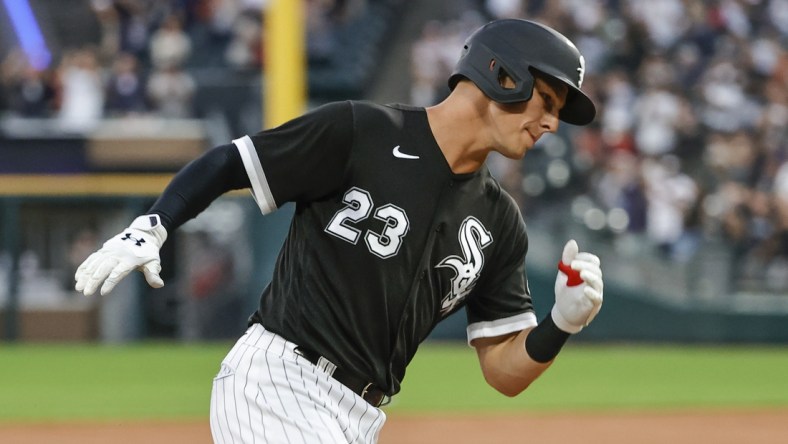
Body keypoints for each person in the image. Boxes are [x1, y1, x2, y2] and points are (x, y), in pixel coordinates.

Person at [75, 18, 604, 444]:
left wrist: (560, 322)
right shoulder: (363, 132)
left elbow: (503, 372)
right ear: (503, 75)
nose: (552, 123)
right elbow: (231, 163)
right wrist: (154, 224)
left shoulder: (499, 222)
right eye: (548, 101)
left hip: (359, 418)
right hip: (279, 383)